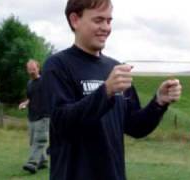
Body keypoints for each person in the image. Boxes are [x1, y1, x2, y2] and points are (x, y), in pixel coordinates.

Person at [42, 0, 182, 179]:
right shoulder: (57, 65)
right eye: (98, 20)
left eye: (109, 21)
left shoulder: (115, 68)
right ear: (75, 20)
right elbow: (62, 121)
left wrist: (159, 102)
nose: (106, 27)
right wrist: (105, 91)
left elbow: (135, 127)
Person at [19, 60, 50, 174]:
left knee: (40, 140)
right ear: (27, 70)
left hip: (44, 116)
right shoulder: (29, 83)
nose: (32, 71)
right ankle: (43, 161)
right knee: (33, 141)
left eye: (34, 68)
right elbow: (30, 98)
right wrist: (24, 104)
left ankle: (32, 163)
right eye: (29, 69)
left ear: (38, 68)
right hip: (32, 116)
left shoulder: (45, 81)